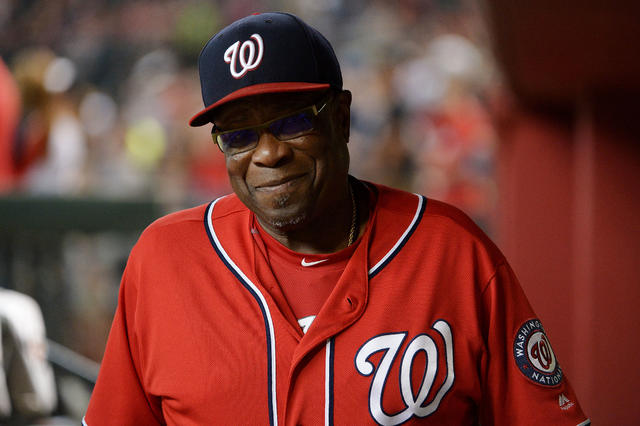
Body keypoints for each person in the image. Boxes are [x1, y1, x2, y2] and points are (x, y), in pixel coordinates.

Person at [84, 12, 589, 426]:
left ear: (341, 118)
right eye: (239, 135)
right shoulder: (165, 261)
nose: (268, 154)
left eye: (291, 121)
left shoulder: (453, 255)